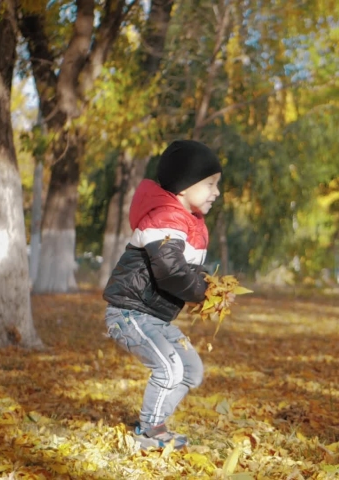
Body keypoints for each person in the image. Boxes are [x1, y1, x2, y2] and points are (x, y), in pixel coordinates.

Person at [103, 139, 223, 450]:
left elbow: (190, 273)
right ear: (184, 186)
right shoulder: (164, 218)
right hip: (130, 313)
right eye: (210, 183)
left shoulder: (191, 223)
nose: (217, 192)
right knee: (169, 368)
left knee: (191, 371)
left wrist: (215, 292)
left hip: (155, 317)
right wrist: (204, 292)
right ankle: (149, 433)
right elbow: (170, 272)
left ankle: (153, 422)